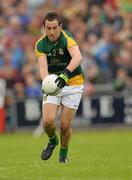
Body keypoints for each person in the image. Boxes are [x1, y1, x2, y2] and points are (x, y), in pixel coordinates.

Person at [34, 12, 85, 163]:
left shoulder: (66, 38)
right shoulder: (40, 44)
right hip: (54, 83)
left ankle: (63, 156)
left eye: (55, 28)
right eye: (48, 28)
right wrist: (46, 82)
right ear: (44, 28)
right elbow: (43, 68)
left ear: (60, 27)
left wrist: (65, 74)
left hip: (73, 82)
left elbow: (78, 57)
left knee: (64, 125)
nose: (52, 32)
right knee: (48, 122)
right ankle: (52, 141)